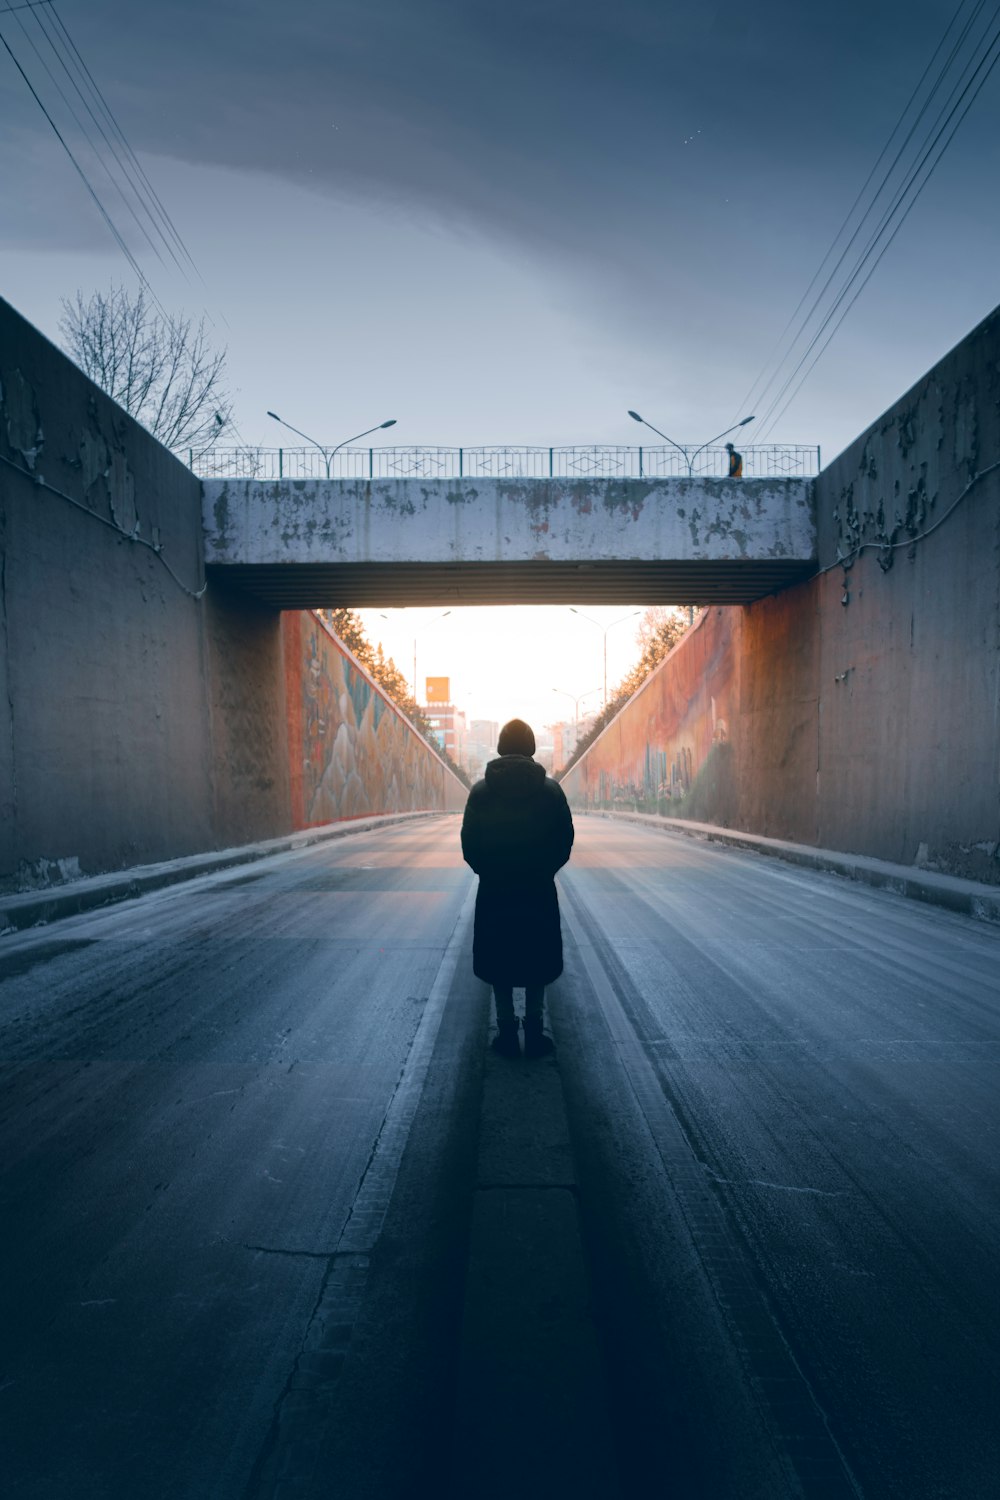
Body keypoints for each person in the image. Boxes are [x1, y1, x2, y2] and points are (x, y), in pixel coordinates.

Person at [461, 718, 574, 1058]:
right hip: (537, 890)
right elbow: (564, 840)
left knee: (501, 959)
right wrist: (543, 871)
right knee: (536, 958)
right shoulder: (551, 791)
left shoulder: (481, 792)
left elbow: (470, 845)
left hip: (496, 890)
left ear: (499, 745)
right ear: (531, 747)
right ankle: (536, 1032)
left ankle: (507, 1031)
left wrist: (491, 872)